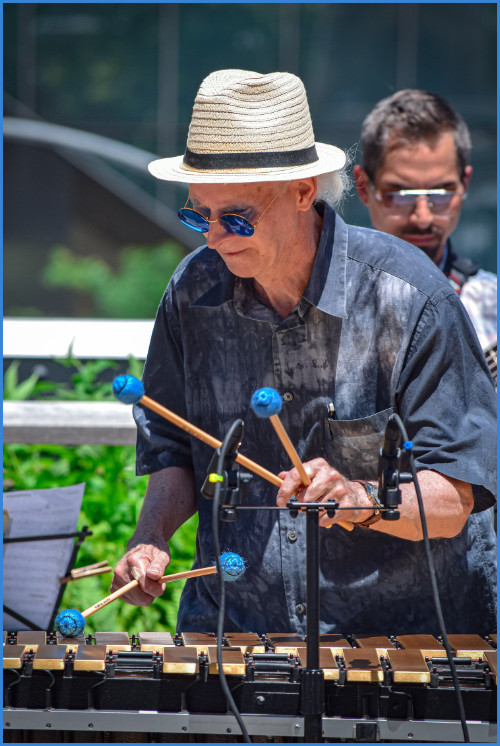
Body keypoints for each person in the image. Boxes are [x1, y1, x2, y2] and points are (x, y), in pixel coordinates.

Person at [112, 69, 496, 637]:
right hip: (238, 629)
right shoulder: (193, 292)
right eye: (198, 215)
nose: (213, 238)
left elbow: (456, 495)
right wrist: (151, 536)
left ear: (302, 192)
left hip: (397, 645)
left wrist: (361, 496)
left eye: (237, 217)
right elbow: (175, 451)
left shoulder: (412, 298)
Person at [353, 89, 497, 371]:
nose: (422, 216)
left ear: (465, 184)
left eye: (441, 192)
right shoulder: (320, 302)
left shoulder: (494, 308)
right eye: (401, 193)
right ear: (363, 187)